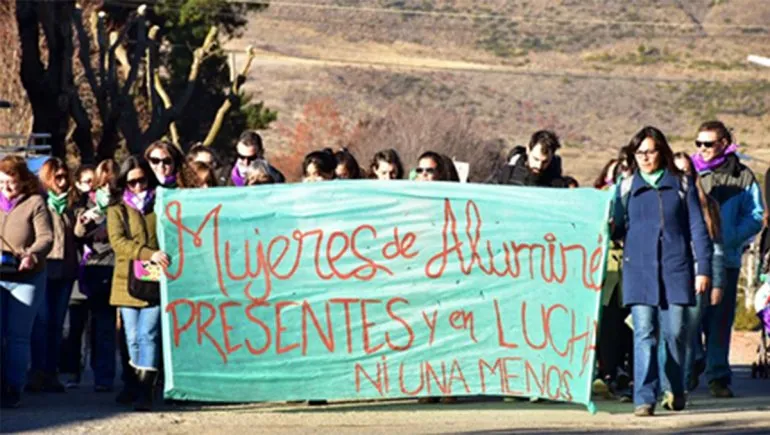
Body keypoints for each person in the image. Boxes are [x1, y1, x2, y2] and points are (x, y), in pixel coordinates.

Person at [612, 126, 712, 416]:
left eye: (650, 151)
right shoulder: (626, 185)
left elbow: (697, 228)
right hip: (639, 271)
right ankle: (644, 397)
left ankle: (675, 388)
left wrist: (703, 268)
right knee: (644, 333)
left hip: (676, 270)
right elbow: (616, 225)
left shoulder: (681, 184)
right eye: (639, 152)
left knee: (674, 334)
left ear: (662, 152)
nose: (644, 157)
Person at [691, 120, 764, 398]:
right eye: (698, 143)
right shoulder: (691, 173)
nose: (702, 149)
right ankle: (692, 366)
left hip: (728, 259)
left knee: (720, 320)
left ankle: (718, 376)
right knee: (690, 317)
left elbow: (756, 215)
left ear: (723, 143)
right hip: (694, 260)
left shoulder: (742, 176)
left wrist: (729, 237)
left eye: (708, 143)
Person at [107, 156, 170, 411]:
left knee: (148, 334)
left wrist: (159, 255)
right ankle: (134, 383)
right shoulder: (116, 210)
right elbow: (118, 242)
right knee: (131, 337)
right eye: (131, 182)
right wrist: (147, 253)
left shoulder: (161, 204)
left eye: (141, 180)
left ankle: (146, 391)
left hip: (155, 279)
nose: (137, 187)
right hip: (126, 281)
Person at [665, 152, 725, 399]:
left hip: (698, 277)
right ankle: (670, 382)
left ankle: (683, 382)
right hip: (671, 274)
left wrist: (716, 281)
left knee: (688, 333)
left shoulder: (707, 205)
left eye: (686, 171)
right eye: (676, 171)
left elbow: (717, 248)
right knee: (671, 332)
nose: (682, 176)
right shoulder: (663, 202)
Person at [61, 159, 119, 393]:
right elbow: (76, 235)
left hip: (111, 264)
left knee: (104, 325)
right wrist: (84, 224)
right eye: (101, 183)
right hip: (87, 266)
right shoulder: (84, 202)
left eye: (110, 183)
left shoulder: (121, 204)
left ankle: (103, 376)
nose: (105, 188)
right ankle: (73, 370)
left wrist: (110, 230)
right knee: (78, 324)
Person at [0, 156, 54, 408]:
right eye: (1, 183)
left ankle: (13, 386)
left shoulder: (35, 203)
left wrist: (32, 254)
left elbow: (46, 237)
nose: (6, 188)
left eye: (11, 183)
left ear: (23, 181)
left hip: (26, 277)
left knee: (17, 336)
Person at [27, 158, 79, 394]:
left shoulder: (71, 204)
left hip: (66, 270)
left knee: (57, 325)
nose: (62, 181)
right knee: (41, 322)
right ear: (47, 178)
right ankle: (37, 371)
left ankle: (51, 373)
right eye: (57, 177)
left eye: (64, 176)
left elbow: (77, 235)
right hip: (44, 268)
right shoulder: (38, 203)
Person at [492, 130, 564, 187]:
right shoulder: (507, 174)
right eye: (536, 159)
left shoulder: (558, 184)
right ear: (528, 150)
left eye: (545, 162)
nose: (539, 166)